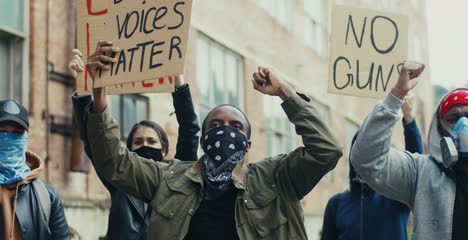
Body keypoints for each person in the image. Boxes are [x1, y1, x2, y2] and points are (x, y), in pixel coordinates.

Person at [82, 40, 342, 239]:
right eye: (215, 126)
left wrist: (285, 92)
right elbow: (113, 161)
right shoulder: (168, 179)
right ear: (204, 141)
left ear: (248, 144)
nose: (225, 132)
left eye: (236, 126)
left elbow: (327, 150)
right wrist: (100, 91)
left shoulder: (278, 178)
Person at [68, 47, 200, 239]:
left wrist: (177, 79)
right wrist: (82, 87)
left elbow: (190, 130)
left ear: (163, 149)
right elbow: (94, 140)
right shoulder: (118, 179)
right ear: (129, 149)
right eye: (138, 141)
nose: (144, 144)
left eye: (151, 141)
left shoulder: (179, 177)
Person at [350, 62, 468, 240]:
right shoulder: (421, 171)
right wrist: (397, 95)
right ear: (440, 128)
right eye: (454, 119)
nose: (463, 125)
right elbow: (367, 160)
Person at [321, 93, 424, 240]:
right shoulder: (336, 204)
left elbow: (415, 168)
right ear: (354, 156)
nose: (368, 157)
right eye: (363, 151)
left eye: (374, 153)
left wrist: (409, 118)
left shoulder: (395, 196)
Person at [0, 99, 70, 239]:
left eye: (17, 133)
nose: (9, 139)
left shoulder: (48, 198)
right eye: (2, 132)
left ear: (26, 137)